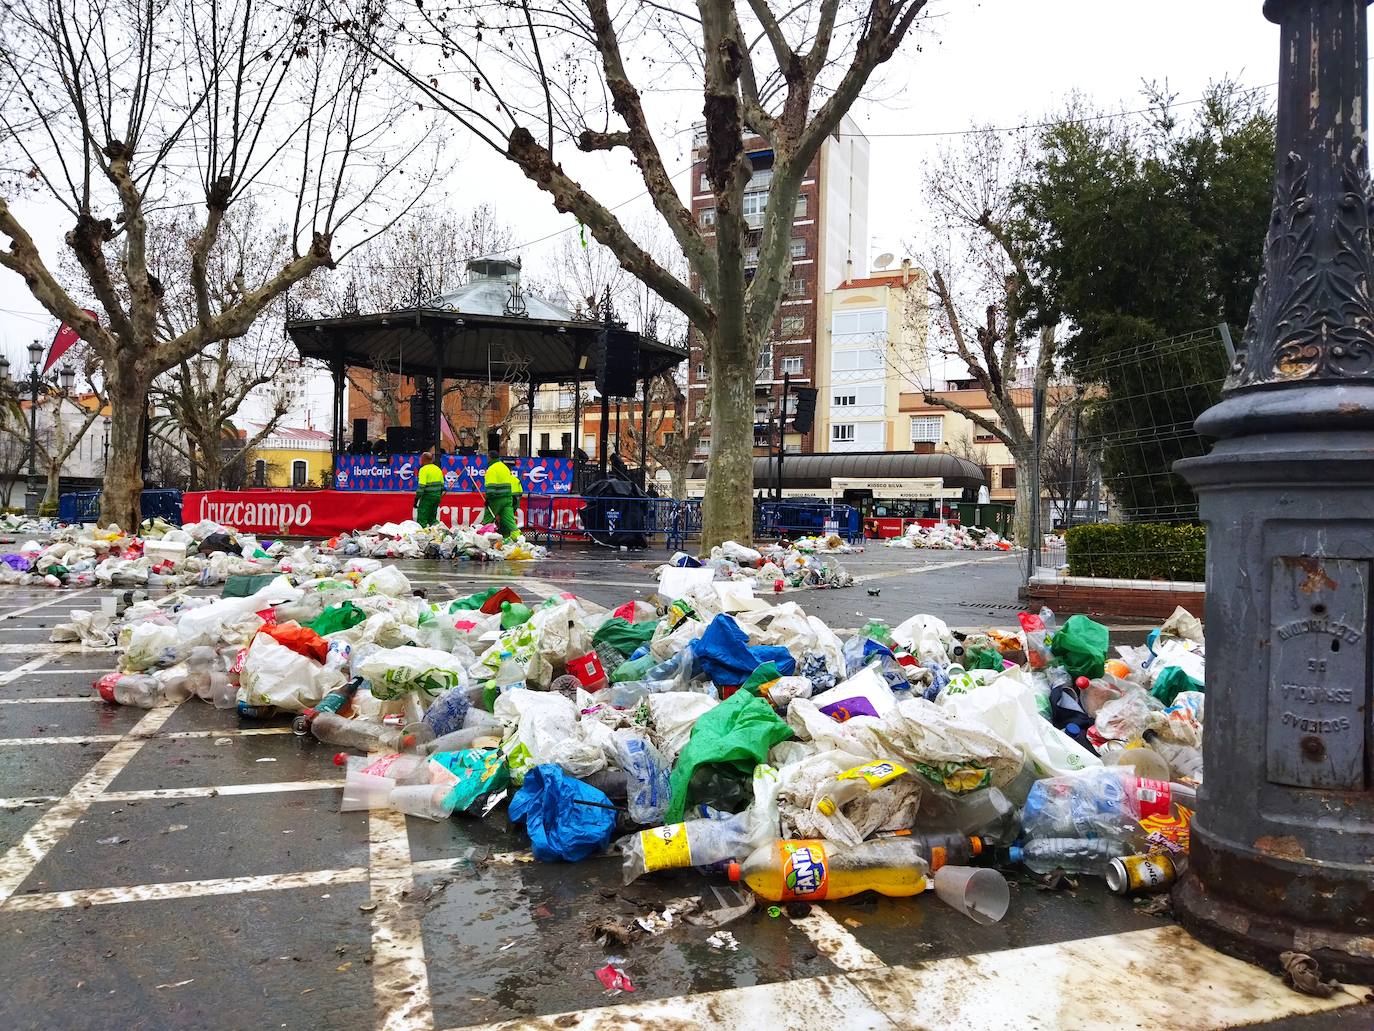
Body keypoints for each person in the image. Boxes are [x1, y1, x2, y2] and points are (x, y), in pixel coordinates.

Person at [481, 441, 523, 538]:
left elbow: (491, 488)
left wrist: (488, 499)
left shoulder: (491, 469)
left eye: (487, 457)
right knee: (510, 522)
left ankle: (483, 539)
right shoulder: (505, 468)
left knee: (488, 520)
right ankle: (519, 538)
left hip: (496, 499)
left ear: (489, 457)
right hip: (508, 499)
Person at [415, 452, 445, 528]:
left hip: (427, 497)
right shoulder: (438, 469)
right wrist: (438, 496)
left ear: (424, 459)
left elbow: (421, 486)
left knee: (422, 518)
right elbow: (442, 486)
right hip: (437, 497)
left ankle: (422, 535)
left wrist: (416, 499)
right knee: (432, 518)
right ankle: (437, 531)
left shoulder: (423, 470)